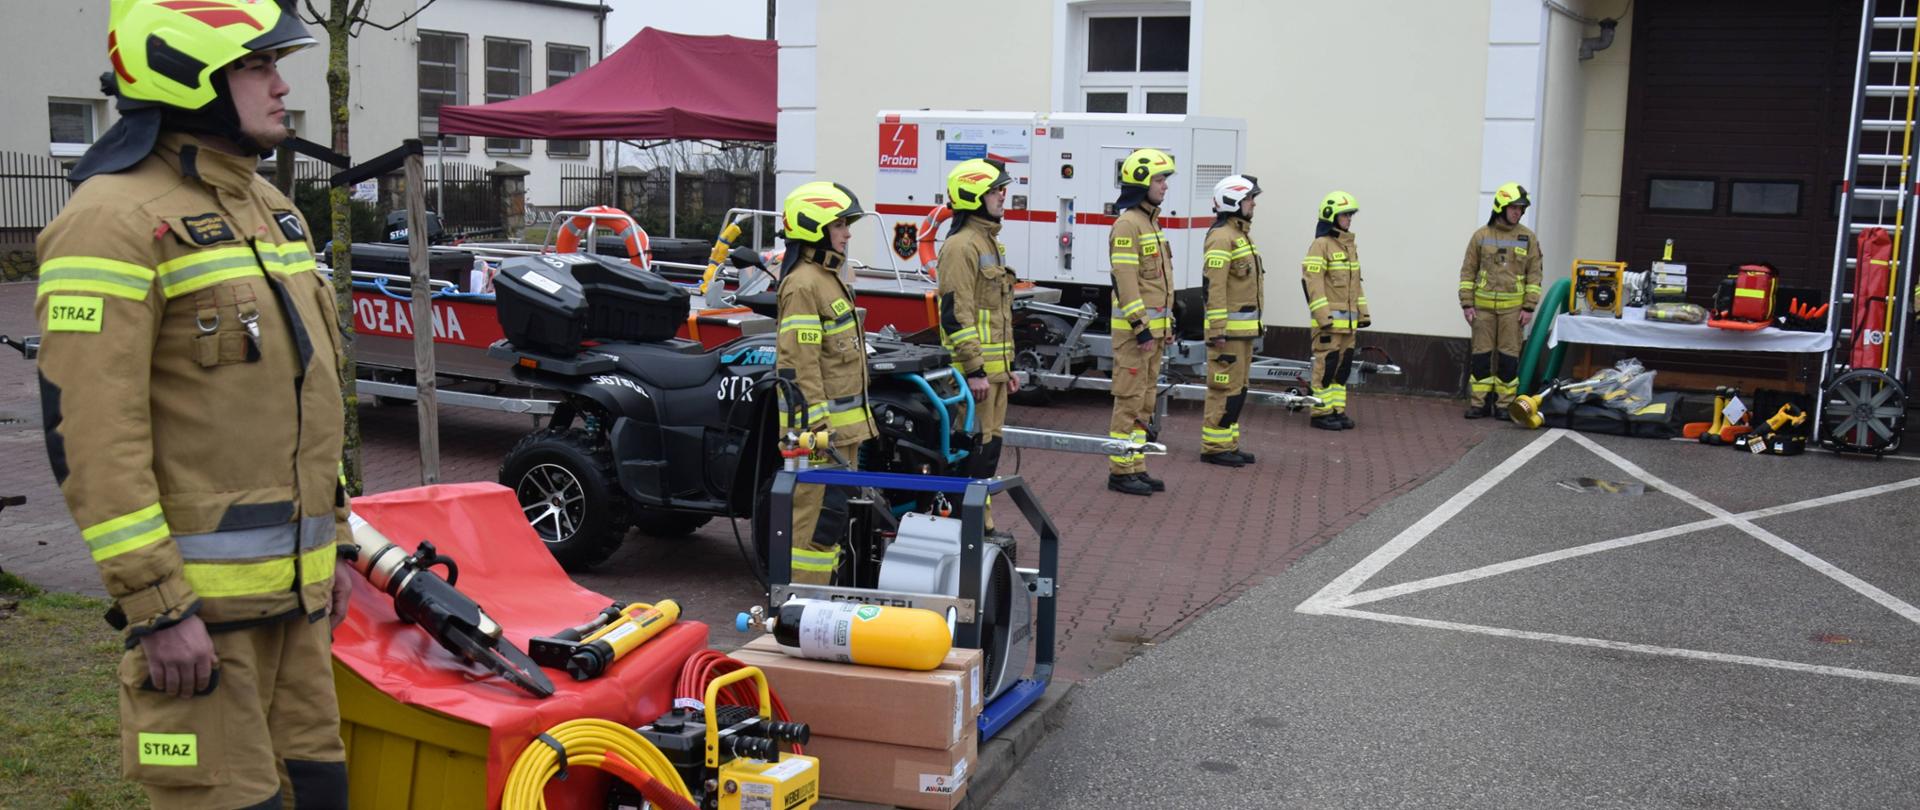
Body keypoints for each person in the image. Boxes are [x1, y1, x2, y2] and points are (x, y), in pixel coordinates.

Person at [33, 1, 350, 806]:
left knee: (319, 793)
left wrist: (337, 543)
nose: (282, 85)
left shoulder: (271, 209)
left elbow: (306, 397)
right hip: (200, 630)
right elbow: (94, 435)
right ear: (187, 73)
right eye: (257, 66)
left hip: (298, 615)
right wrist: (157, 606)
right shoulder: (108, 223)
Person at [774, 181, 877, 584]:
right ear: (815, 227)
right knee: (814, 528)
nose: (848, 233)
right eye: (840, 224)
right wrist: (816, 428)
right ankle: (802, 606)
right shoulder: (803, 284)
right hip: (819, 436)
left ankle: (819, 606)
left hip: (839, 433)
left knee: (831, 521)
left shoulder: (829, 277)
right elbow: (800, 364)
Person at [937, 159, 1021, 489]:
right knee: (973, 451)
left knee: (988, 451)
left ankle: (980, 519)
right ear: (974, 196)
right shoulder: (961, 247)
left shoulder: (988, 242)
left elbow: (997, 313)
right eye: (996, 190)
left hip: (993, 373)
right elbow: (957, 314)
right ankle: (967, 523)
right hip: (973, 376)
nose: (1003, 196)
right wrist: (974, 370)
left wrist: (1008, 366)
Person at [1106, 148, 1178, 496]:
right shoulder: (1127, 224)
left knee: (1146, 401)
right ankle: (1120, 470)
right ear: (1141, 182)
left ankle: (1135, 463)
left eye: (1165, 179)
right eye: (1160, 180)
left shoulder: (1151, 222)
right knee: (1129, 400)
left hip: (1153, 333)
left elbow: (1160, 283)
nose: (1165, 186)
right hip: (1135, 336)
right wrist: (1141, 326)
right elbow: (1126, 280)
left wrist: (1167, 323)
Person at [1459, 182, 1544, 419]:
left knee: (1508, 358)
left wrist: (1529, 307)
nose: (1518, 212)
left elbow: (1534, 276)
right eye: (1514, 207)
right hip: (1482, 309)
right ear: (1501, 207)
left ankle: (1504, 405)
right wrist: (1467, 304)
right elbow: (1467, 272)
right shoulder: (1481, 236)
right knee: (1481, 357)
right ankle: (1480, 404)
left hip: (1513, 311)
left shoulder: (1528, 238)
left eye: (1521, 208)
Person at [1199, 174, 1265, 466]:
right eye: (1250, 199)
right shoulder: (1221, 237)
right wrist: (1217, 331)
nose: (1253, 204)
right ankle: (1214, 447)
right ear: (1234, 200)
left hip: (1243, 333)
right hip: (1227, 335)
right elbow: (1213, 287)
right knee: (1223, 389)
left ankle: (1228, 443)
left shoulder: (1241, 236)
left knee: (1238, 391)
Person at [1301, 191, 1371, 430]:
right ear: (1331, 216)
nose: (1349, 219)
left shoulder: (1349, 247)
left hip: (1348, 324)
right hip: (1329, 324)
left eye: (1351, 214)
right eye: (1345, 214)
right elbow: (1313, 282)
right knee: (1326, 366)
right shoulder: (1320, 245)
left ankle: (1336, 410)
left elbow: (1356, 285)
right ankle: (1320, 412)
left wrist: (1363, 314)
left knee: (1342, 369)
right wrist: (1323, 317)